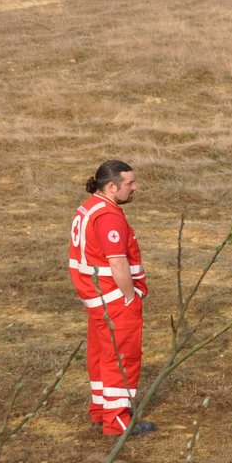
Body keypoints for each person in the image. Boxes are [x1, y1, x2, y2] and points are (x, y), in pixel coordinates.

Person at [69, 160, 153, 437]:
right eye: (130, 184)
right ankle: (117, 421)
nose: (135, 188)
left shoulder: (88, 207)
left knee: (101, 355)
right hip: (114, 298)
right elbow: (117, 262)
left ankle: (101, 411)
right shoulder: (109, 216)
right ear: (112, 186)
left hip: (96, 298)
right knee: (122, 358)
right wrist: (130, 296)